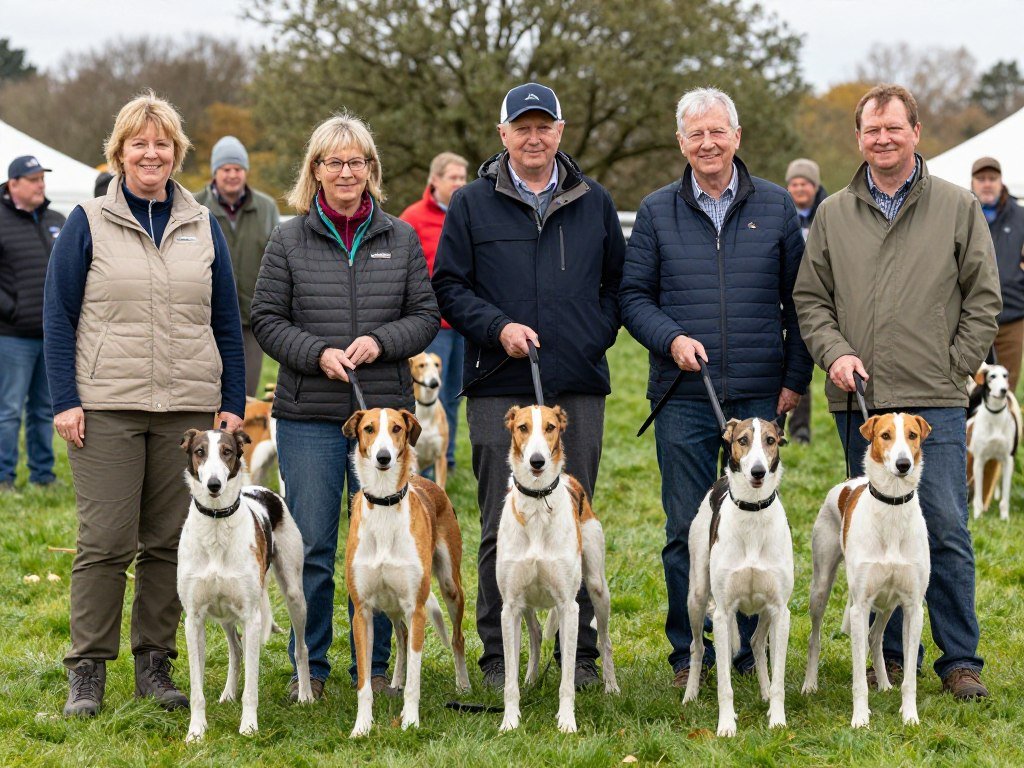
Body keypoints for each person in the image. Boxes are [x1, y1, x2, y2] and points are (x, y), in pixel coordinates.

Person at [43, 91, 246, 717]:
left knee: (166, 541)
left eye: (162, 143)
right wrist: (67, 401)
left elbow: (226, 320)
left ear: (177, 152)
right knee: (104, 540)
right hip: (106, 406)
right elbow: (59, 313)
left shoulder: (202, 223)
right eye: (139, 143)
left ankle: (154, 665)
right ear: (120, 152)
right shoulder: (88, 219)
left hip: (187, 409)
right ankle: (88, 670)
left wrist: (231, 401)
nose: (151, 153)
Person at [794, 84, 1000, 700]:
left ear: (915, 132)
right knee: (873, 532)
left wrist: (956, 367)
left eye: (893, 128)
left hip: (932, 399)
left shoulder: (957, 206)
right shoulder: (832, 213)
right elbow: (811, 300)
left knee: (942, 526)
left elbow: (985, 297)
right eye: (871, 130)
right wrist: (834, 355)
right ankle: (882, 659)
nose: (882, 139)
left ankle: (959, 659)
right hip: (860, 402)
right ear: (858, 138)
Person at [432, 82, 625, 689]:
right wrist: (498, 328)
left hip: (576, 386)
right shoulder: (470, 204)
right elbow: (450, 287)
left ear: (560, 133)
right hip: (499, 384)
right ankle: (497, 653)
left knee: (576, 517)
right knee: (499, 520)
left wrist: (585, 337)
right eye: (523, 127)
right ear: (504, 135)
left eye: (545, 126)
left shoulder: (594, 201)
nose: (534, 137)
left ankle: (582, 654)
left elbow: (619, 288)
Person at [619, 87, 812, 689]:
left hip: (757, 395)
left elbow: (800, 301)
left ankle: (750, 649)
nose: (707, 143)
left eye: (716, 132)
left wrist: (794, 378)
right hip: (683, 399)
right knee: (686, 528)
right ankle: (689, 652)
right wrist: (670, 338)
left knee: (754, 524)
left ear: (736, 136)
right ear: (682, 142)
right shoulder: (655, 211)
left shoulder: (778, 208)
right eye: (695, 134)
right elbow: (632, 298)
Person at [250, 113, 439, 701]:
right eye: (334, 162)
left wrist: (382, 342)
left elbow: (427, 317)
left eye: (357, 161)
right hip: (308, 413)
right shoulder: (288, 238)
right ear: (316, 170)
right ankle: (310, 669)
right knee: (314, 545)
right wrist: (316, 353)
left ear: (370, 170)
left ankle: (376, 668)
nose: (346, 172)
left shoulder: (400, 237)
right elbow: (266, 320)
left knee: (387, 546)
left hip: (382, 418)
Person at [195, 136, 281, 396]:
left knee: (245, 396)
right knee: (202, 392)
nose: (232, 175)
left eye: (238, 169)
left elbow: (277, 260)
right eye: (226, 169)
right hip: (203, 319)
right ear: (215, 172)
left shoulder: (266, 208)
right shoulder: (194, 205)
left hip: (250, 320)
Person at [400, 151, 469, 471]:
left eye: (462, 178)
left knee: (455, 394)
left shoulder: (469, 212)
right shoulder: (413, 218)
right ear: (435, 180)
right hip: (431, 326)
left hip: (465, 324)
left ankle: (446, 457)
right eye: (453, 177)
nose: (459, 183)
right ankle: (420, 462)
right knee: (428, 393)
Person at [0, 156, 65, 491]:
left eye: (42, 178)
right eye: (33, 179)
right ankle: (3, 477)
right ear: (14, 185)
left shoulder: (56, 220)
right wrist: (11, 308)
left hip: (50, 336)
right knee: (8, 410)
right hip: (11, 336)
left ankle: (43, 475)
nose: (41, 184)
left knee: (43, 410)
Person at [784, 157, 828, 444]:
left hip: (818, 297)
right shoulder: (779, 212)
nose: (799, 189)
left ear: (815, 187)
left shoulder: (828, 213)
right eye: (794, 184)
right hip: (785, 298)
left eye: (805, 184)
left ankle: (803, 429)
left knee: (809, 362)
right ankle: (784, 427)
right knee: (786, 363)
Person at [971, 156, 1024, 391]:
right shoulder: (963, 213)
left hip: (1012, 315)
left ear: (1001, 181)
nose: (987, 184)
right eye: (981, 179)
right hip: (973, 317)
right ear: (972, 182)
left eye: (992, 178)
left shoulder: (1020, 216)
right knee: (974, 388)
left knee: (1006, 389)